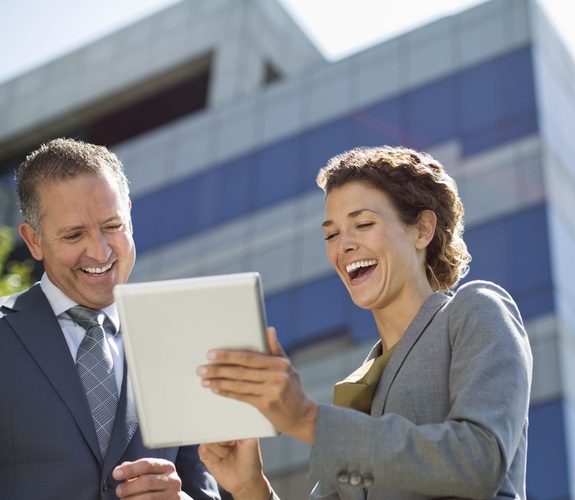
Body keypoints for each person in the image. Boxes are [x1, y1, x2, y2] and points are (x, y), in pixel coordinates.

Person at [197, 145, 533, 499]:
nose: (344, 246)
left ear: (422, 229)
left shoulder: (476, 309)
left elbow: (478, 461)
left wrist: (306, 420)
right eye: (331, 234)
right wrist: (250, 487)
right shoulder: (357, 388)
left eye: (363, 224)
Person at [0, 138, 220, 499]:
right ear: (34, 240)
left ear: (130, 216)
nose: (100, 251)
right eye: (74, 234)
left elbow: (202, 487)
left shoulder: (180, 348)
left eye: (113, 225)